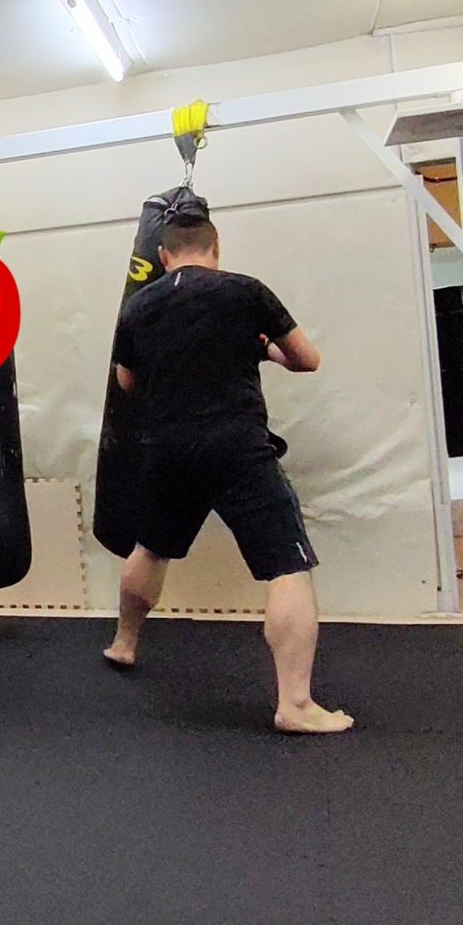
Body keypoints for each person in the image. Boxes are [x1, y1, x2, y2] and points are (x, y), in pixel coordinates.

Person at [100, 195, 350, 734]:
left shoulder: (138, 306)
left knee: (151, 547)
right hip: (237, 448)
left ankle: (124, 642)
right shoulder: (245, 290)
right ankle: (295, 705)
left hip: (167, 449)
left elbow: (126, 382)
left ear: (163, 255)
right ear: (216, 247)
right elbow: (307, 360)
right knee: (287, 567)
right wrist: (262, 350)